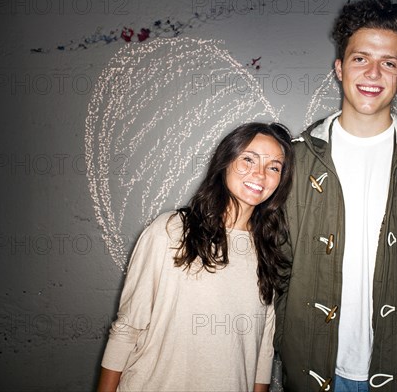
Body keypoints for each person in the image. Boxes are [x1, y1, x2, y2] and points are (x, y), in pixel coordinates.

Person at [274, 0, 397, 392]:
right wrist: (285, 338)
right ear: (339, 67)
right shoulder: (297, 157)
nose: (373, 73)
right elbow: (276, 263)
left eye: (389, 62)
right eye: (360, 58)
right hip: (312, 370)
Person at [97, 122, 295, 392]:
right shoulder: (170, 231)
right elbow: (128, 327)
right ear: (225, 162)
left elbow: (262, 349)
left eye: (273, 166)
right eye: (248, 159)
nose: (259, 174)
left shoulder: (269, 251)